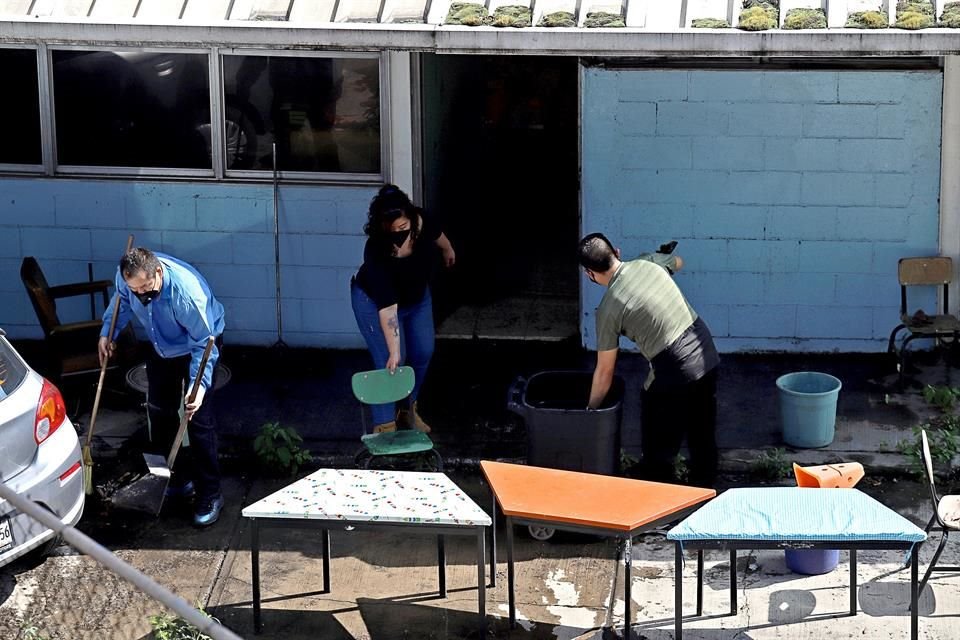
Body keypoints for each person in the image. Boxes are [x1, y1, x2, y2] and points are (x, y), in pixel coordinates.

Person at [578, 233, 720, 487]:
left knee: (658, 441)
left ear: (589, 273)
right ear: (617, 252)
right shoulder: (649, 262)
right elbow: (678, 262)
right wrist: (664, 258)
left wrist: (590, 411)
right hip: (706, 352)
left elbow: (604, 373)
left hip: (675, 366)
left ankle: (657, 491)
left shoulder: (609, 309)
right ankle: (707, 494)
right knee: (703, 436)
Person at [98, 248, 226, 526]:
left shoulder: (188, 296)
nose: (142, 294)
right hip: (161, 348)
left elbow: (203, 345)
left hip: (200, 345)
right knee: (160, 412)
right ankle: (177, 479)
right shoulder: (127, 281)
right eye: (136, 288)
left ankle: (211, 493)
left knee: (199, 421)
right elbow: (120, 304)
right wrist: (108, 333)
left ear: (158, 272)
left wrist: (198, 387)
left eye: (146, 287)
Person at [351, 184, 456, 433]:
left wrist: (448, 249)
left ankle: (408, 410)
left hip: (417, 298)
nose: (398, 235)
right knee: (390, 364)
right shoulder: (376, 251)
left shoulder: (422, 222)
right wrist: (394, 350)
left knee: (423, 351)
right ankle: (385, 426)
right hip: (375, 304)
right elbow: (387, 309)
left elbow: (437, 234)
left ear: (411, 219)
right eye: (391, 231)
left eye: (402, 228)